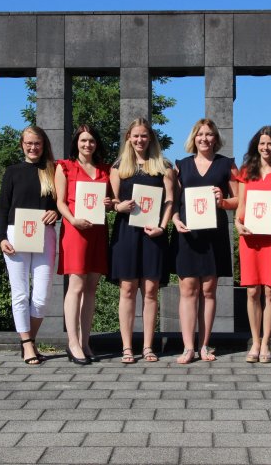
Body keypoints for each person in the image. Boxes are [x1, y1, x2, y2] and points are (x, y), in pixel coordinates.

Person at [171, 118, 238, 364]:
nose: (204, 139)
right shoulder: (182, 165)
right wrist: (175, 219)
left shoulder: (227, 165)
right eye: (200, 134)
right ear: (193, 137)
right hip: (187, 235)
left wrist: (223, 201)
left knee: (208, 291)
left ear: (216, 138)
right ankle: (188, 347)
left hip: (214, 236)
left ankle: (204, 345)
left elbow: (238, 200)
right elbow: (174, 200)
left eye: (209, 134)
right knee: (188, 290)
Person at [110, 118, 174, 364]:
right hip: (126, 233)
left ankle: (148, 346)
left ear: (151, 138)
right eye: (135, 136)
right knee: (127, 289)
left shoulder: (163, 165)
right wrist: (120, 206)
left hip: (153, 234)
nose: (139, 140)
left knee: (150, 291)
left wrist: (162, 225)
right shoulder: (118, 167)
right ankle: (127, 347)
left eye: (144, 136)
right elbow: (113, 201)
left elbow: (170, 200)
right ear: (128, 138)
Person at [0, 125, 59, 365]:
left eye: (38, 143)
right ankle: (27, 343)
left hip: (45, 234)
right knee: (20, 293)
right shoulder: (12, 172)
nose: (33, 147)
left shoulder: (52, 171)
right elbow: (3, 207)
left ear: (44, 146)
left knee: (42, 297)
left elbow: (62, 203)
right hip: (15, 235)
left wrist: (56, 213)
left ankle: (29, 341)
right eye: (29, 143)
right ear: (22, 145)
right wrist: (1, 237)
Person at [234, 126, 271, 364]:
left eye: (270, 143)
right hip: (250, 237)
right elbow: (241, 205)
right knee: (252, 291)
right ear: (256, 145)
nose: (266, 147)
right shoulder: (246, 171)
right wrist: (238, 226)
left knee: (270, 290)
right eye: (262, 143)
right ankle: (255, 342)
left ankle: (267, 344)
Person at [55, 124, 113, 365]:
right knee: (76, 284)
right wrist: (73, 220)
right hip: (75, 230)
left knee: (91, 287)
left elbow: (109, 201)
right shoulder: (64, 167)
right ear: (76, 143)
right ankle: (73, 342)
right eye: (83, 140)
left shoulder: (104, 169)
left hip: (98, 231)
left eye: (91, 140)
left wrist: (109, 203)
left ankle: (86, 341)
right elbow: (59, 202)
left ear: (96, 143)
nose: (87, 144)